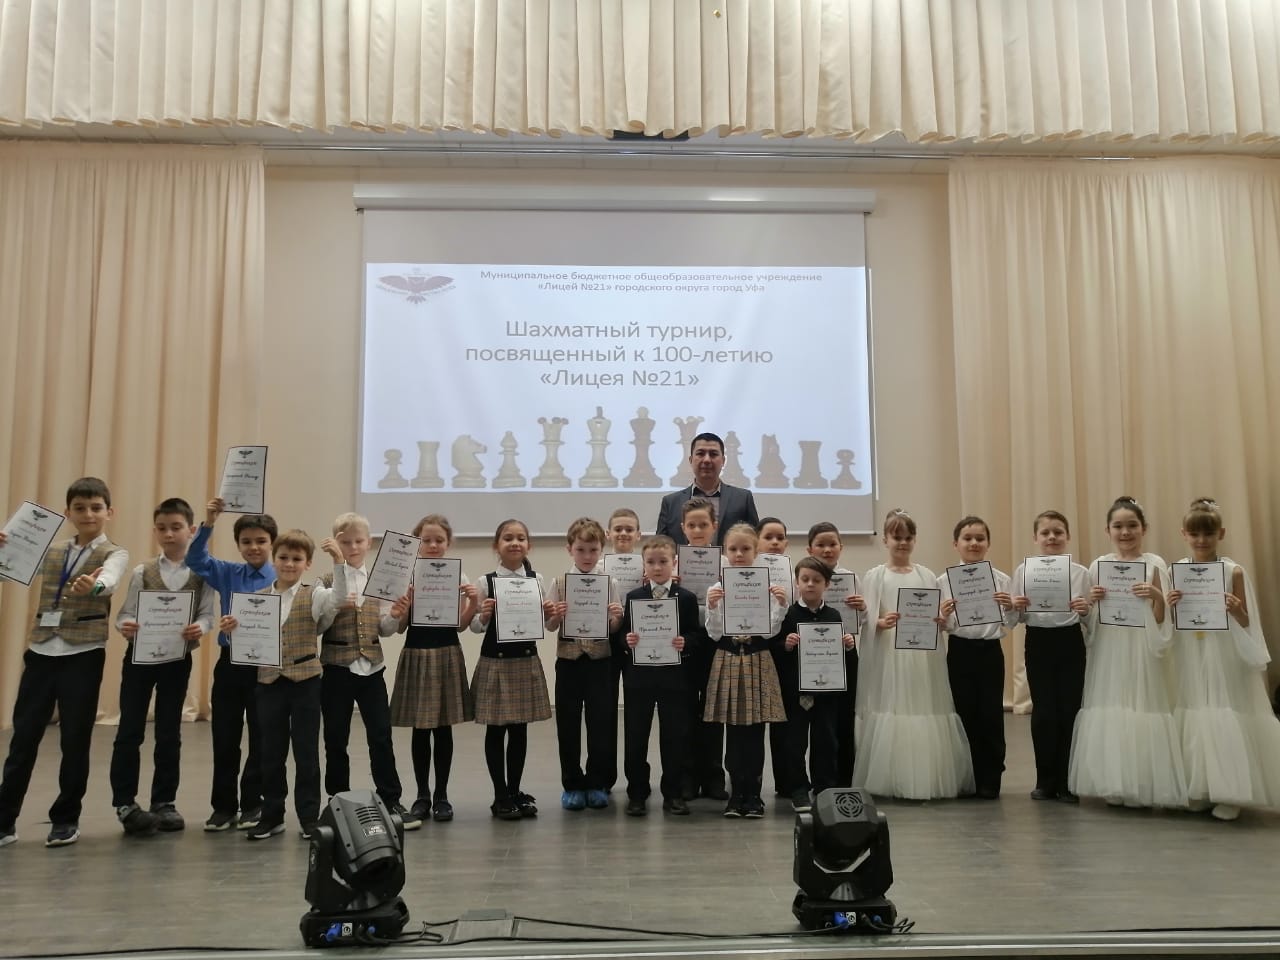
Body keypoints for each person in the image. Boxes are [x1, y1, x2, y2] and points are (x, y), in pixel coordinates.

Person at [0, 477, 129, 848]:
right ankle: (5, 820)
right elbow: (11, 567)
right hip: (41, 651)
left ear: (109, 512)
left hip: (83, 654)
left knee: (75, 740)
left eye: (96, 508)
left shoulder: (115, 553)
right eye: (80, 508)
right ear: (68, 512)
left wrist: (96, 586)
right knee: (23, 738)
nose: (88, 514)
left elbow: (110, 580)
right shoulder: (52, 549)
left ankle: (66, 819)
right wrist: (6, 549)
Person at [1068, 496, 1186, 808]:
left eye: (1132, 525)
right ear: (1107, 530)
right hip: (1110, 648)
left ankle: (1142, 782)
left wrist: (1157, 596)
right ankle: (1114, 780)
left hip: (1140, 648)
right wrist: (1091, 602)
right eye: (1118, 526)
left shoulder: (1155, 564)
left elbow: (1162, 620)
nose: (1125, 532)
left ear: (1144, 528)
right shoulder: (1098, 566)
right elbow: (1089, 620)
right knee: (1112, 706)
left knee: (1141, 706)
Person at [109, 497, 217, 835]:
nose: (168, 534)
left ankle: (164, 802)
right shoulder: (143, 571)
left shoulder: (202, 573)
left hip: (176, 660)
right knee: (130, 730)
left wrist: (199, 628)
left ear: (192, 530)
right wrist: (125, 626)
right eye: (162, 528)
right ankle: (124, 802)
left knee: (169, 732)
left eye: (176, 527)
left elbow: (207, 615)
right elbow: (125, 613)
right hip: (139, 659)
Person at [1168, 498, 1280, 820]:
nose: (1202, 540)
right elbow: (1173, 621)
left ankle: (1231, 791)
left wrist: (1236, 609)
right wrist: (1172, 604)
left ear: (1221, 533)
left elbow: (1247, 622)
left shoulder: (1233, 571)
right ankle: (1202, 787)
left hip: (1224, 651)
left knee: (1224, 710)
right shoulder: (1178, 571)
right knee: (1196, 711)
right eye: (1194, 534)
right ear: (1184, 534)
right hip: (1191, 651)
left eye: (1208, 533)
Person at [854, 509, 973, 799]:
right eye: (897, 537)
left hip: (921, 656)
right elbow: (866, 619)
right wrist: (880, 623)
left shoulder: (926, 575)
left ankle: (925, 776)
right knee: (894, 706)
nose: (903, 543)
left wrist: (940, 618)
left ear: (915, 540)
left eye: (908, 537)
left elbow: (936, 618)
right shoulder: (875, 576)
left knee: (921, 706)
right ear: (885, 539)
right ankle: (892, 777)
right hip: (890, 655)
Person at [219, 529, 329, 840]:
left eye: (296, 559)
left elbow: (335, 603)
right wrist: (231, 630)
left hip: (306, 681)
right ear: (274, 560)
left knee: (306, 753)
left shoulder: (314, 594)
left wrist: (337, 560)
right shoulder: (256, 599)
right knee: (270, 752)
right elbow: (244, 643)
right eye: (283, 557)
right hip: (268, 682)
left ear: (307, 563)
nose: (289, 564)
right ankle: (272, 815)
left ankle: (309, 817)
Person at [312, 513, 411, 827]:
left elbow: (384, 629)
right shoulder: (325, 581)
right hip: (336, 669)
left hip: (372, 669)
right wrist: (335, 607)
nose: (353, 547)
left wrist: (396, 615)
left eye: (358, 541)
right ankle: (337, 799)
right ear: (335, 543)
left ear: (369, 544)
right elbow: (319, 626)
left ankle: (391, 798)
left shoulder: (379, 581)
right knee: (335, 738)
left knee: (381, 736)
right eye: (346, 542)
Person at [186, 496, 277, 831]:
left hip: (266, 666)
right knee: (224, 736)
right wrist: (209, 522)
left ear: (272, 543)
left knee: (262, 738)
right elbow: (195, 559)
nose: (254, 547)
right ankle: (223, 807)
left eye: (261, 541)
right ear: (238, 545)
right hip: (230, 665)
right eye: (246, 541)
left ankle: (253, 803)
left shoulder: (281, 576)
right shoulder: (227, 572)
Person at [387, 514, 477, 825]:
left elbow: (461, 626)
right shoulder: (408, 576)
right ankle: (422, 796)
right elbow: (399, 627)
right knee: (420, 728)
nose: (433, 545)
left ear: (448, 543)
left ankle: (441, 796)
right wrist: (406, 606)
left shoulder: (458, 575)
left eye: (439, 540)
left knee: (443, 728)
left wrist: (472, 603)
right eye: (426, 540)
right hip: (416, 653)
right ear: (417, 543)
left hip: (447, 652)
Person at [469, 519, 557, 821]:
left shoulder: (536, 579)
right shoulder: (485, 582)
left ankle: (515, 790)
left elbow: (543, 624)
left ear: (529, 545)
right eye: (508, 538)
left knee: (520, 731)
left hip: (525, 661)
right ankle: (500, 796)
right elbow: (475, 627)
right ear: (497, 545)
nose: (515, 543)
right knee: (496, 730)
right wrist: (483, 615)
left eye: (521, 538)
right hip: (496, 662)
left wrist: (548, 613)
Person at [703, 523, 788, 817]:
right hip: (728, 658)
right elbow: (714, 634)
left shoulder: (767, 587)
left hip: (757, 658)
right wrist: (713, 607)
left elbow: (769, 633)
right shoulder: (716, 588)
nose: (739, 554)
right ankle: (736, 792)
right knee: (733, 730)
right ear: (725, 552)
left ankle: (754, 793)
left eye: (746, 549)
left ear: (756, 551)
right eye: (733, 549)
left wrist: (780, 605)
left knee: (755, 730)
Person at [619, 535, 706, 816]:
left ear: (674, 563)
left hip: (675, 680)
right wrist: (627, 640)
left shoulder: (687, 598)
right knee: (636, 736)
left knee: (675, 737)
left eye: (663, 562)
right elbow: (622, 634)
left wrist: (686, 642)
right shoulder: (634, 597)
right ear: (643, 565)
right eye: (651, 562)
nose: (657, 567)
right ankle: (637, 793)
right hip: (639, 679)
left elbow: (697, 634)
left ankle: (674, 793)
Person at [1011, 510, 1091, 803]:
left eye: (1058, 532)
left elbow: (1090, 618)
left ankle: (1068, 782)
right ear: (1036, 538)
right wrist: (1017, 607)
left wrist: (1085, 610)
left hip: (1070, 641)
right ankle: (1045, 780)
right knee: (1044, 712)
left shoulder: (1081, 573)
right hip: (1038, 641)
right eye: (1045, 533)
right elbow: (1015, 619)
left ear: (1067, 536)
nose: (1052, 537)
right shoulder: (1023, 571)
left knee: (1069, 710)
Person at [938, 516, 1017, 799]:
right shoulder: (943, 582)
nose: (974, 543)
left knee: (991, 715)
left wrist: (1010, 607)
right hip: (960, 651)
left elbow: (1011, 622)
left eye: (980, 538)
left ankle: (990, 778)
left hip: (990, 652)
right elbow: (942, 626)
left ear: (988, 543)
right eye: (967, 538)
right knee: (964, 713)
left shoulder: (1002, 580)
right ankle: (966, 776)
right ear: (955, 544)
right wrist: (944, 616)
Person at [549, 518, 623, 811]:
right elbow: (550, 625)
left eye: (593, 550)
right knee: (567, 724)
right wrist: (556, 615)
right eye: (581, 549)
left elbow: (614, 627)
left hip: (599, 661)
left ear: (601, 550)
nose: (587, 556)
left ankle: (596, 782)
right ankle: (571, 783)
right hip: (568, 662)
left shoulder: (610, 583)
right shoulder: (559, 583)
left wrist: (615, 617)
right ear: (570, 549)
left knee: (600, 723)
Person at [777, 557, 857, 812]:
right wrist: (785, 645)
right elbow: (776, 651)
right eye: (805, 579)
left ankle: (824, 788)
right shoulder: (788, 615)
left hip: (826, 694)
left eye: (817, 580)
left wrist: (848, 646)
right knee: (795, 742)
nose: (810, 584)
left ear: (827, 584)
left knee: (826, 741)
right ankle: (798, 789)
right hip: (797, 693)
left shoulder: (834, 615)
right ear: (797, 582)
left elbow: (843, 658)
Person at [805, 522, 864, 785]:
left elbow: (862, 621)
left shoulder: (851, 578)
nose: (827, 550)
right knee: (820, 722)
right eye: (821, 545)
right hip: (814, 657)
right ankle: (822, 780)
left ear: (841, 547)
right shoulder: (805, 579)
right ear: (810, 549)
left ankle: (845, 779)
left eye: (832, 544)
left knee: (845, 716)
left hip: (845, 652)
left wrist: (862, 608)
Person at [677, 497, 727, 801]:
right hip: (683, 640)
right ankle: (686, 777)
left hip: (714, 641)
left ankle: (713, 776)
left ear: (714, 526)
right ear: (683, 527)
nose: (697, 530)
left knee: (712, 708)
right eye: (692, 525)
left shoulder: (725, 564)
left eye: (703, 524)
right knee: (684, 710)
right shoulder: (672, 563)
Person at [655, 432, 758, 545]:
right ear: (690, 460)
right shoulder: (670, 502)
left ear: (723, 461)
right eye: (700, 453)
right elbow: (660, 545)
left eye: (713, 454)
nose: (707, 460)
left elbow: (755, 542)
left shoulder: (743, 499)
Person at [756, 517, 793, 798]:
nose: (775, 543)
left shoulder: (792, 572)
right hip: (756, 648)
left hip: (783, 649)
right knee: (754, 720)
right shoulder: (744, 571)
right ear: (757, 541)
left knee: (783, 719)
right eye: (768, 537)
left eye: (780, 538)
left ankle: (785, 781)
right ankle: (750, 781)